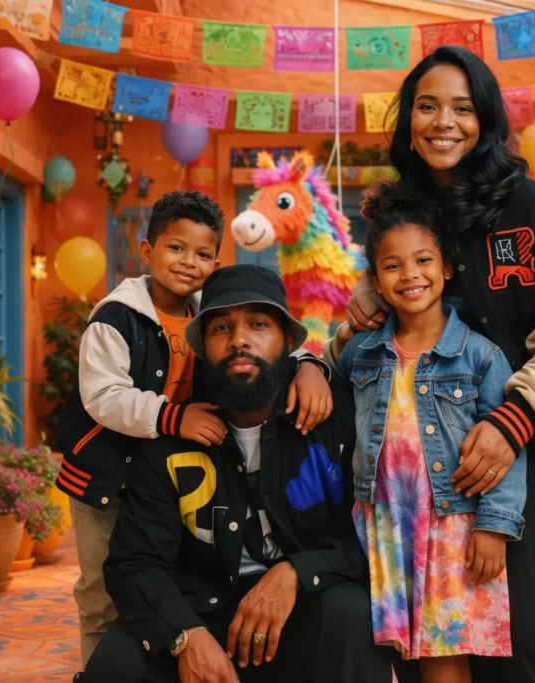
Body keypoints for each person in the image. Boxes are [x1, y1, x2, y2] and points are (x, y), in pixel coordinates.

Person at [345, 46, 535, 683]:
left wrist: (510, 420)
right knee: (436, 641)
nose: (444, 122)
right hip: (430, 474)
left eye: (463, 108)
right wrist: (314, 351)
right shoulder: (401, 219)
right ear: (408, 119)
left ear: (487, 120)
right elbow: (372, 328)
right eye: (427, 106)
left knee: (531, 636)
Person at [55, 192, 333, 667]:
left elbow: (259, 348)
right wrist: (174, 418)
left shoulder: (210, 312)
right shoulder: (116, 317)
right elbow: (102, 396)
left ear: (216, 261)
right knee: (104, 596)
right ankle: (101, 670)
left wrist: (308, 363)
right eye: (175, 248)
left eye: (203, 254)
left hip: (167, 475)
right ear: (147, 253)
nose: (188, 263)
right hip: (106, 480)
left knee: (165, 577)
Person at [83, 264, 392, 683]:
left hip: (303, 610)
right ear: (203, 347)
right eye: (221, 328)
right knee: (114, 665)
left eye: (259, 324)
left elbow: (379, 534)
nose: (239, 339)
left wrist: (297, 572)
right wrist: (184, 636)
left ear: (287, 341)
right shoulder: (171, 436)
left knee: (352, 613)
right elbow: (134, 562)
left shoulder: (332, 418)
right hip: (203, 614)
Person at [325, 181, 524, 683]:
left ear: (447, 267)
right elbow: (325, 370)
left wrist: (495, 525)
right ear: (374, 278)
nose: (410, 275)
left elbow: (508, 449)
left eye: (423, 261)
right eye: (392, 266)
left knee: (443, 656)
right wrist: (312, 363)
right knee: (387, 652)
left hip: (452, 528)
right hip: (381, 523)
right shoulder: (362, 352)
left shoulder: (480, 356)